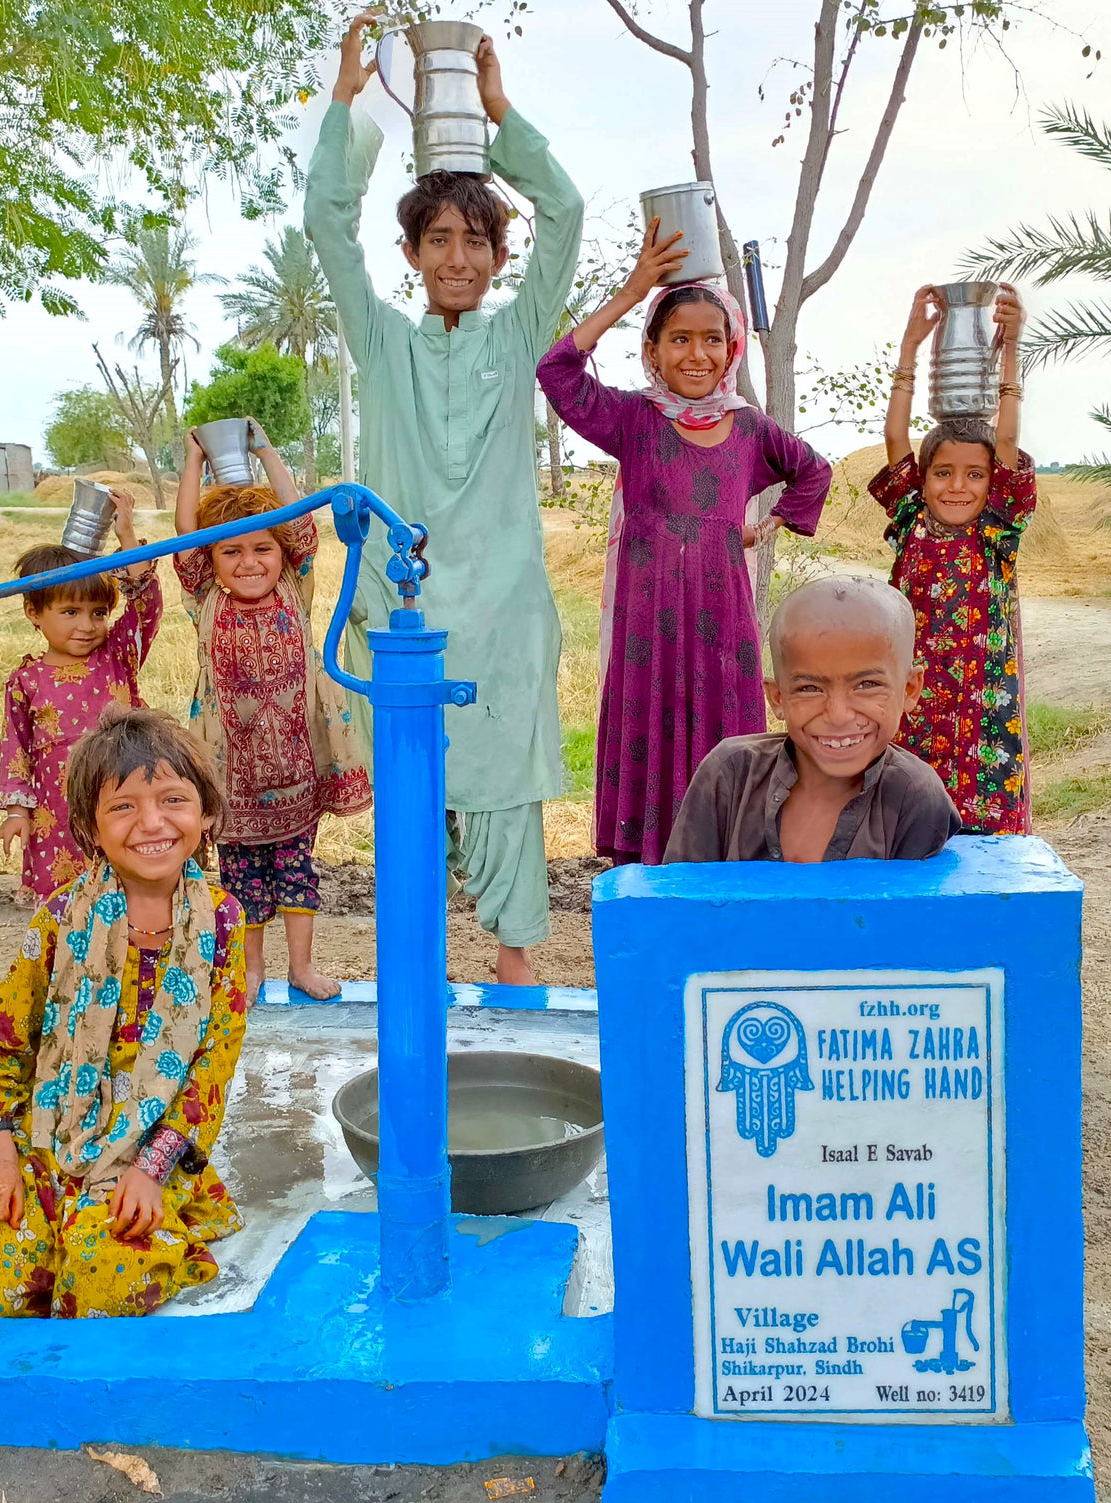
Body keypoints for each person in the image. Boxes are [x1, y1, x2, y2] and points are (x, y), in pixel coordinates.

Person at [304, 14, 583, 985]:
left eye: (476, 239)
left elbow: (571, 217)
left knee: (507, 815)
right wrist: (346, 100)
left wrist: (499, 113)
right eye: (439, 238)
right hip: (404, 624)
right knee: (413, 820)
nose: (459, 256)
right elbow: (324, 231)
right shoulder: (384, 346)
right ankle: (415, 1022)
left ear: (500, 255)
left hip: (504, 623)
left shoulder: (517, 341)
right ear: (414, 251)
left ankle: (513, 1003)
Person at [537, 222, 831, 865]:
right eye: (678, 340)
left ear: (730, 350)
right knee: (651, 740)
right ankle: (647, 881)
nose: (695, 354)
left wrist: (764, 525)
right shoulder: (633, 420)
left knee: (726, 744)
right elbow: (556, 372)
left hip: (721, 628)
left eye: (710, 340)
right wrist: (634, 288)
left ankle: (727, 881)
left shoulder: (750, 428)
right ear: (653, 348)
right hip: (648, 630)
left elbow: (814, 471)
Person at [0, 706, 247, 1318]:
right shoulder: (63, 919)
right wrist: (0, 1160)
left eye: (173, 799)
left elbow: (211, 1069)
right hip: (47, 1141)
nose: (152, 823)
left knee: (104, 1267)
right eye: (123, 807)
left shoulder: (222, 922)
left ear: (206, 813)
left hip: (152, 1153)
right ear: (88, 826)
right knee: (2, 1266)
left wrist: (151, 1169)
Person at [174, 420, 371, 1004]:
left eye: (261, 546)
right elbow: (184, 535)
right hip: (230, 768)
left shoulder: (293, 582)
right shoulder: (206, 598)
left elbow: (299, 522)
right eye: (231, 550)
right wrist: (194, 461)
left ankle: (302, 968)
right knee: (242, 880)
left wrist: (264, 448)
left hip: (296, 762)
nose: (249, 560)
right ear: (211, 562)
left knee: (296, 870)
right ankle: (252, 969)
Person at [869, 283, 1035, 833]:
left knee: (987, 834)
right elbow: (896, 434)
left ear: (994, 482)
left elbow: (1006, 438)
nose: (958, 486)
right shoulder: (912, 518)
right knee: (910, 818)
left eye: (975, 474)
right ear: (923, 476)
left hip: (982, 708)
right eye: (943, 472)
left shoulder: (996, 529)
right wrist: (910, 351)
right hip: (917, 700)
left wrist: (1010, 349)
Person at [664, 576, 961, 864]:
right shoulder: (729, 776)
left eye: (867, 685)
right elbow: (677, 903)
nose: (838, 715)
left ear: (909, 689)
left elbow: (916, 911)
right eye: (809, 688)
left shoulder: (915, 797)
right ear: (777, 698)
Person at [0, 490, 161, 903]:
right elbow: (15, 751)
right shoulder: (25, 680)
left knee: (129, 894)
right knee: (66, 908)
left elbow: (146, 606)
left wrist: (128, 535)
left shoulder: (118, 654)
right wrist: (16, 812)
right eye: (70, 612)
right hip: (56, 817)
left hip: (123, 796)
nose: (87, 625)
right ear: (33, 612)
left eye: (98, 612)